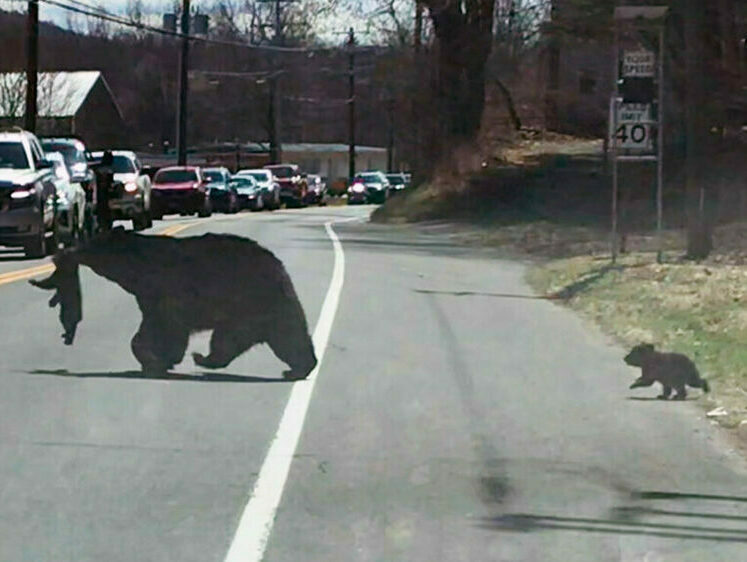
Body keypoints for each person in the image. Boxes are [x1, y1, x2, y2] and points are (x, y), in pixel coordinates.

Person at [95, 150, 114, 232]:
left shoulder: (99, 169)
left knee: (102, 209)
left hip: (101, 193)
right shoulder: (109, 170)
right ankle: (105, 225)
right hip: (103, 193)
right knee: (105, 209)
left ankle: (102, 225)